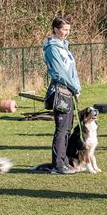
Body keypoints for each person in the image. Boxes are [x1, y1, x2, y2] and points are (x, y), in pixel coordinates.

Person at [33, 16, 81, 174]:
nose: (67, 32)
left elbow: (71, 70)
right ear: (55, 29)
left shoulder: (64, 46)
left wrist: (76, 88)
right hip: (60, 91)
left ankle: (64, 161)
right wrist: (75, 87)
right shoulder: (53, 48)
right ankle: (58, 165)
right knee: (61, 129)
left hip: (69, 90)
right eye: (64, 29)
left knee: (67, 128)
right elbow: (60, 73)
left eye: (69, 29)